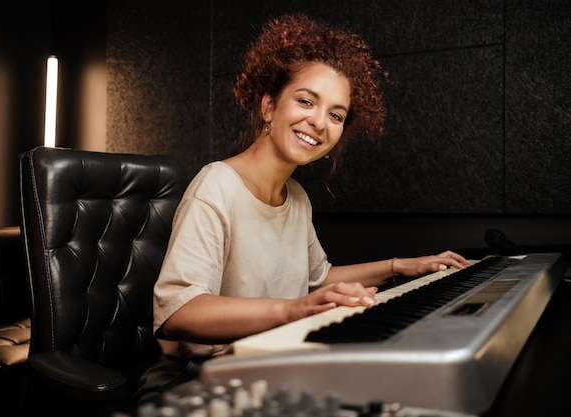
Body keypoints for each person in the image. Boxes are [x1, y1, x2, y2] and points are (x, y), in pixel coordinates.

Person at [135, 13, 469, 405]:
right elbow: (180, 315)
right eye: (306, 101)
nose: (318, 122)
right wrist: (294, 311)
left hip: (270, 367)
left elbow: (318, 279)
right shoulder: (215, 185)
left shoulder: (296, 197)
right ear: (268, 106)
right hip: (193, 381)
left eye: (336, 114)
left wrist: (398, 266)